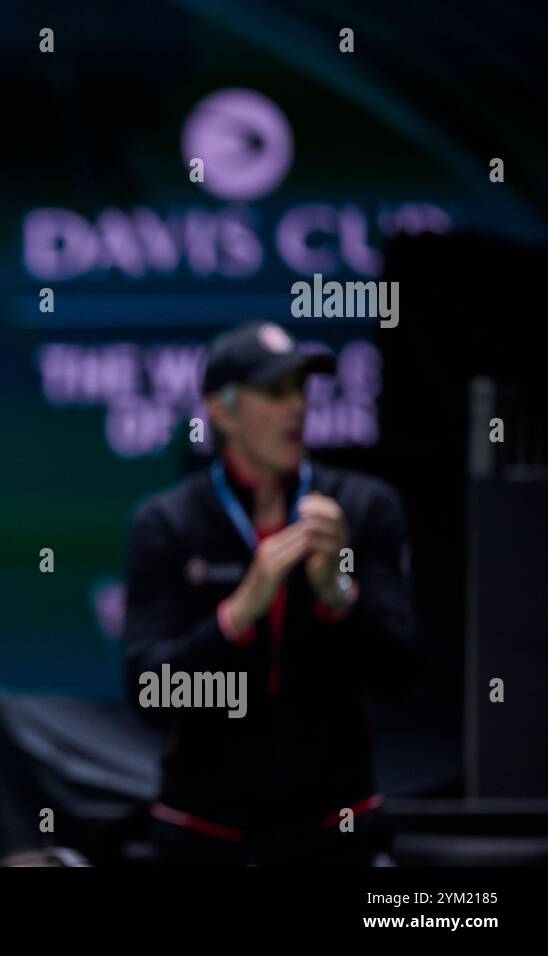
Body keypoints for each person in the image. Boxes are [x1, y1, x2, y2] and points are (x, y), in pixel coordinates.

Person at [123, 321, 416, 865]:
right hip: (201, 836)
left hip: (336, 832)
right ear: (222, 409)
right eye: (276, 393)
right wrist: (237, 614)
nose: (297, 409)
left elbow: (399, 676)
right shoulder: (167, 523)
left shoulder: (364, 507)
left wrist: (339, 596)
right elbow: (149, 694)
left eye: (302, 390)